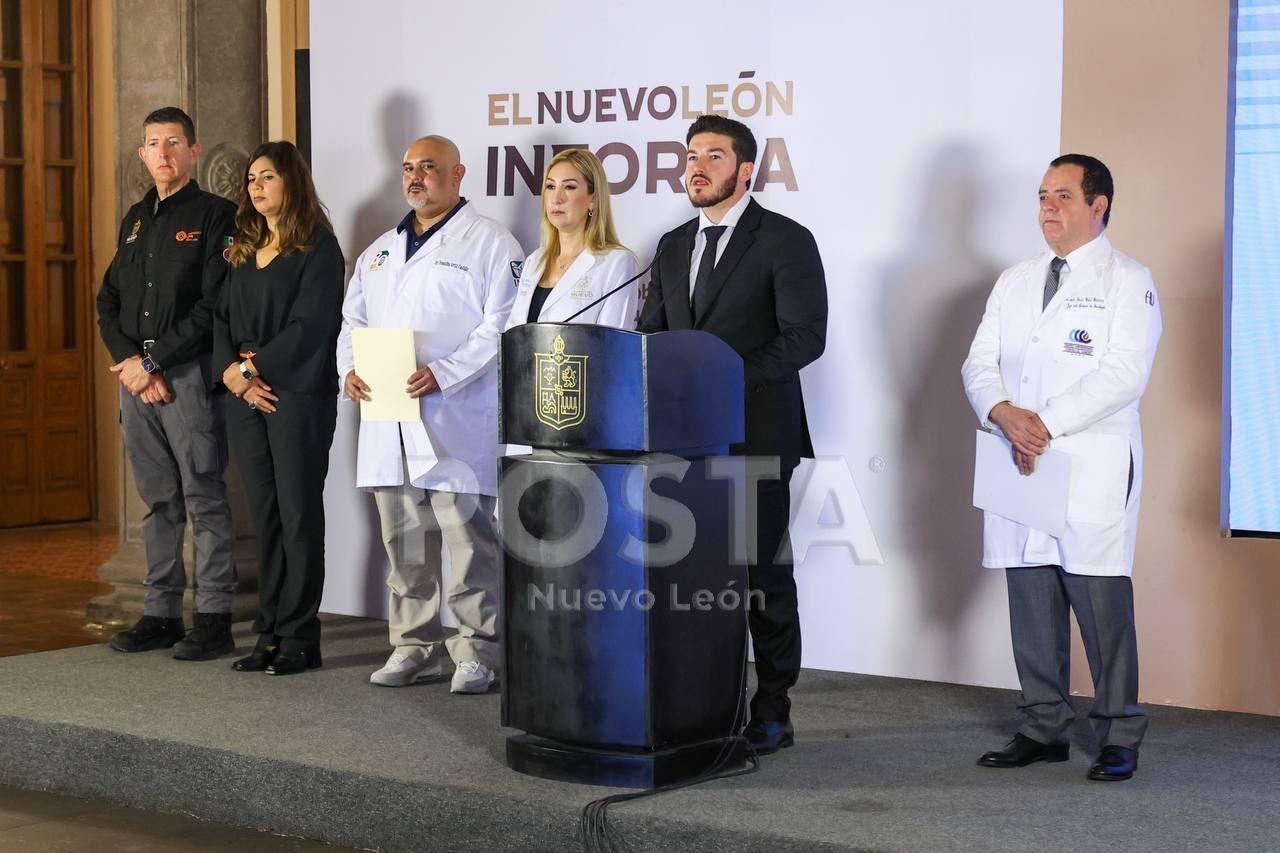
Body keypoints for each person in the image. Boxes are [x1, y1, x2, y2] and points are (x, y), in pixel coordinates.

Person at [961, 154, 1162, 781]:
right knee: (1031, 592)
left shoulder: (1129, 280)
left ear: (1099, 205)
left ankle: (1117, 733)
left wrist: (1041, 423)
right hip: (1017, 457)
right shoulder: (1016, 280)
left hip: (1087, 462)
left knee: (1100, 601)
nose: (1048, 207)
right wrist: (1001, 411)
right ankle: (1043, 724)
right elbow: (979, 362)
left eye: (1064, 196)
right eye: (1043, 196)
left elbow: (1124, 375)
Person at [636, 115, 827, 754]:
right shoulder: (670, 246)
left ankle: (773, 707)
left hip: (757, 438)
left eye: (713, 156)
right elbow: (653, 335)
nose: (697, 167)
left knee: (762, 580)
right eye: (691, 155)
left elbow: (806, 337)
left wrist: (724, 377)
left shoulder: (784, 240)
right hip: (681, 442)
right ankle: (706, 705)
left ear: (746, 171)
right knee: (695, 585)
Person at [337, 135, 524, 694]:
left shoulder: (491, 243)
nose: (417, 177)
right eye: (409, 169)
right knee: (404, 542)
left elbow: (504, 325)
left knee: (467, 543)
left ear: (458, 174)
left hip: (455, 416)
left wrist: (447, 371)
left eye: (430, 168)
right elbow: (353, 324)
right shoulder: (378, 251)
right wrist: (348, 370)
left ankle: (475, 651)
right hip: (388, 416)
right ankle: (412, 645)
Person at [96, 106, 237, 661]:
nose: (163, 153)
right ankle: (160, 613)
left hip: (189, 379)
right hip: (139, 383)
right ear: (142, 154)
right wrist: (132, 361)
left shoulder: (217, 215)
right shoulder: (135, 220)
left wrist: (154, 362)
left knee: (204, 495)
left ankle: (214, 616)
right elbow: (108, 301)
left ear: (194, 152)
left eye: (174, 142)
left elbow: (212, 306)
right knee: (158, 502)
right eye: (153, 143)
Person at [214, 141, 345, 676]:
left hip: (296, 396)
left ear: (291, 182)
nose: (256, 187)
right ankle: (267, 631)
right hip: (246, 397)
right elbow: (221, 317)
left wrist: (251, 370)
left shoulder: (318, 248)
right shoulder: (244, 247)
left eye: (267, 176)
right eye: (251, 179)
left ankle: (299, 635)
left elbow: (311, 328)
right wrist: (236, 377)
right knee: (264, 516)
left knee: (296, 514)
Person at [506, 148, 638, 329]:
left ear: (593, 199)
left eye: (569, 187)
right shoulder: (534, 261)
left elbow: (613, 347)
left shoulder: (617, 263)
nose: (556, 198)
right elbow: (513, 334)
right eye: (550, 186)